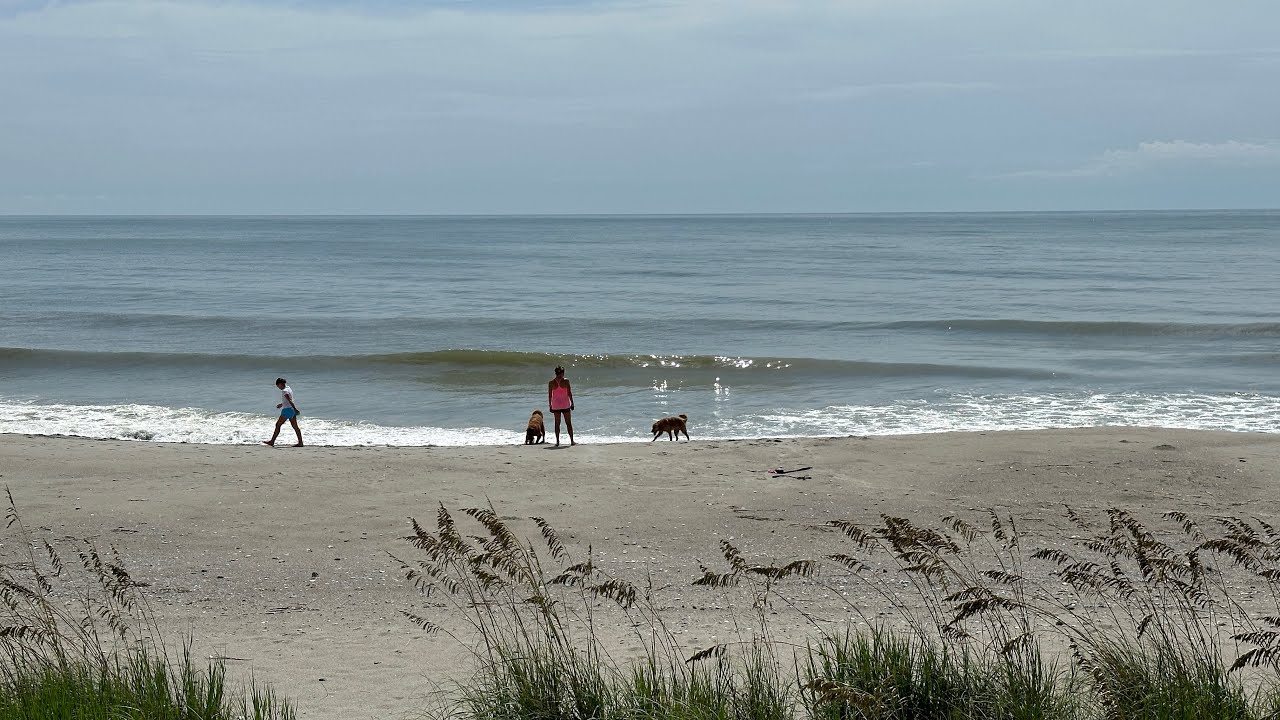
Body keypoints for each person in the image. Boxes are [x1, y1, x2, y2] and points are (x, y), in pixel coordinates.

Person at [263, 377, 303, 447]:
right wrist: (282, 404)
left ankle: (272, 441)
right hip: (291, 409)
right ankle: (300, 442)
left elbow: (289, 400)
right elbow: (288, 400)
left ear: (280, 384)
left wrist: (295, 409)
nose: (278, 387)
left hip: (287, 410)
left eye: (278, 386)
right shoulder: (289, 388)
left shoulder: (284, 391)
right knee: (295, 427)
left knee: (278, 425)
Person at [547, 366, 575, 447]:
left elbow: (550, 396)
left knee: (557, 424)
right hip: (565, 404)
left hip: (556, 405)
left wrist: (550, 406)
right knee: (568, 423)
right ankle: (572, 441)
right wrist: (572, 403)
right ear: (562, 373)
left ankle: (557, 441)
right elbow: (569, 393)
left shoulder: (551, 383)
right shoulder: (566, 381)